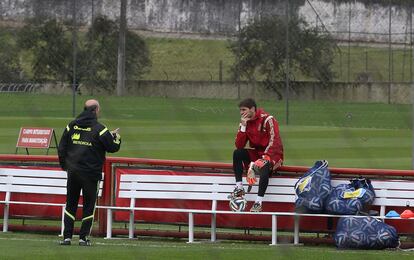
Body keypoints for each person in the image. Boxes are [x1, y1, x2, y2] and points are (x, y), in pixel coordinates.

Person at [58, 99, 121, 246]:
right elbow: (112, 147)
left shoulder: (71, 126)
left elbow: (61, 148)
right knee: (89, 206)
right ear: (96, 110)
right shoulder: (100, 129)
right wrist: (116, 137)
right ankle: (83, 238)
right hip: (91, 175)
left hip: (73, 172)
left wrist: (64, 166)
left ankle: (67, 238)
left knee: (70, 204)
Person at [230, 98, 283, 212]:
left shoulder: (268, 119)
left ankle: (258, 202)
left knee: (264, 165)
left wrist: (265, 157)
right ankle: (239, 188)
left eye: (244, 109)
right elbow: (239, 145)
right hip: (257, 154)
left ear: (253, 109)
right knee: (238, 153)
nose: (241, 113)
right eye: (240, 110)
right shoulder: (245, 122)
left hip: (274, 155)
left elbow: (275, 141)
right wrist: (243, 127)